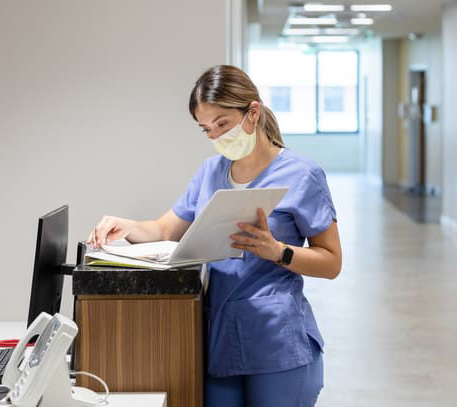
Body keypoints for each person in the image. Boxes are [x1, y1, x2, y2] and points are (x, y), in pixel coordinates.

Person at [86, 65, 342, 407]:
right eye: (206, 129)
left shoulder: (302, 174)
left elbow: (332, 262)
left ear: (253, 112)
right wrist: (126, 225)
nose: (216, 137)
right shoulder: (210, 172)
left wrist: (278, 251)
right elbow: (165, 230)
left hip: (278, 342)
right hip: (221, 337)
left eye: (222, 124)